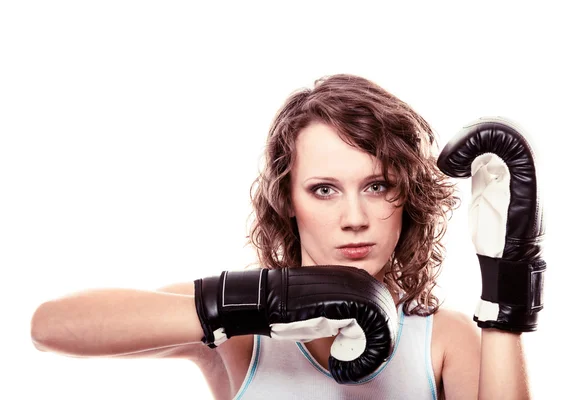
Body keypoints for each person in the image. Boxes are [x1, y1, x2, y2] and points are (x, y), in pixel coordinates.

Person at [30, 74, 544, 399]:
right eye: (324, 189)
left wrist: (507, 285)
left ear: (406, 197)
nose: (355, 216)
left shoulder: (443, 340)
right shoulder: (244, 337)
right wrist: (267, 305)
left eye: (377, 185)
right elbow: (51, 327)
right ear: (287, 199)